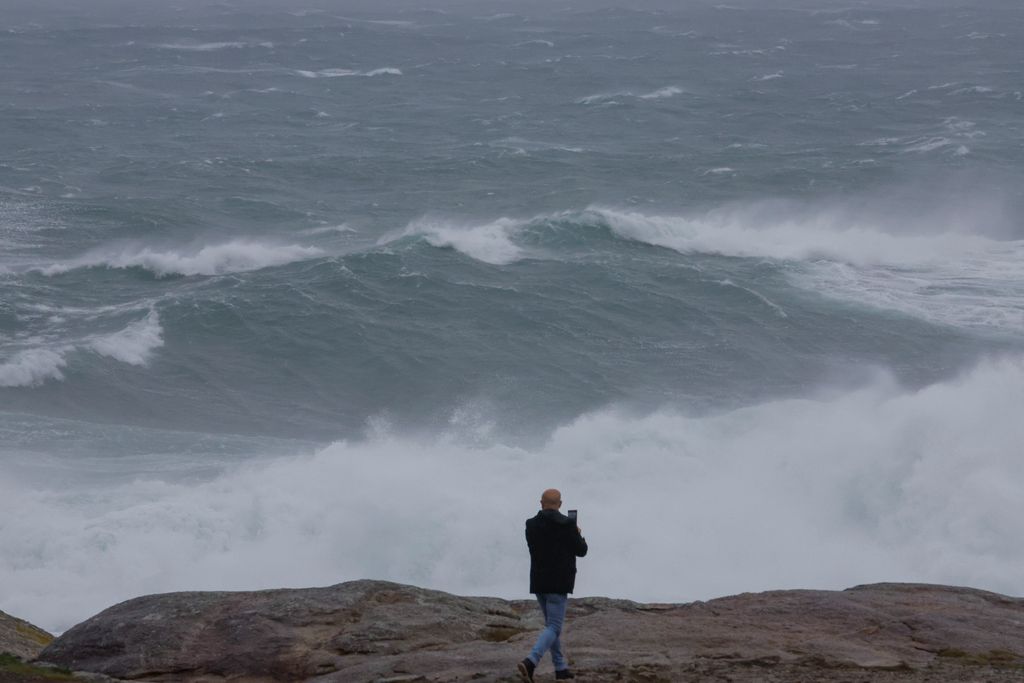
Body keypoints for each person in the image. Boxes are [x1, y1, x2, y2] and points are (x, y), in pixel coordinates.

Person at [517, 488, 588, 682]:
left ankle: (560, 668)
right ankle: (531, 661)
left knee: (551, 626)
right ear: (560, 505)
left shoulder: (530, 524)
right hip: (559, 582)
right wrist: (577, 533)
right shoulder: (567, 525)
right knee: (555, 627)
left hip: (539, 581)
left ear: (541, 503)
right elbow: (581, 551)